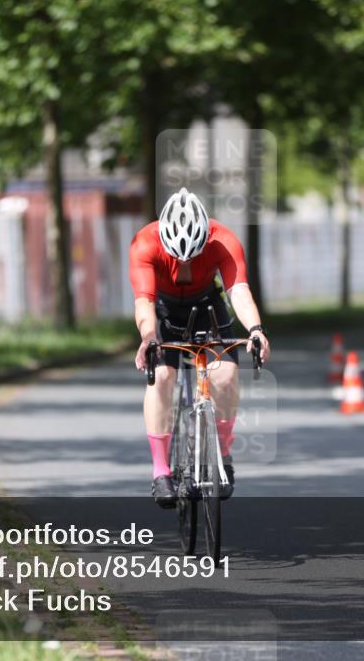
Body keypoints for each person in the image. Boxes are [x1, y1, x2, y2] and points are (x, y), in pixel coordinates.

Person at [129, 188, 271, 508]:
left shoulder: (224, 240)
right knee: (163, 377)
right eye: (177, 257)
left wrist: (256, 330)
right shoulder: (144, 243)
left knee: (224, 377)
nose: (184, 263)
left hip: (208, 303)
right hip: (163, 309)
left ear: (206, 238)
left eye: (192, 256)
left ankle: (221, 452)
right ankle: (161, 470)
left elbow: (239, 291)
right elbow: (144, 301)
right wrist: (149, 337)